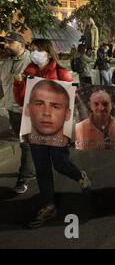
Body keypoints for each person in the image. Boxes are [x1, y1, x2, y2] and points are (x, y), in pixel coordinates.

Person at [13, 38, 90, 229]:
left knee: (60, 163)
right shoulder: (28, 72)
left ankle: (79, 175)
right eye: (32, 50)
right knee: (41, 168)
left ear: (48, 52)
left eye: (37, 49)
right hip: (36, 126)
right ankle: (48, 205)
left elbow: (71, 99)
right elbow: (22, 99)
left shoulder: (61, 72)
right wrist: (18, 84)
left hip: (58, 127)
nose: (34, 53)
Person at [0, 32, 35, 194]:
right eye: (5, 42)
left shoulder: (32, 60)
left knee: (25, 143)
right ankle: (33, 168)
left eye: (10, 42)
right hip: (11, 109)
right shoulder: (6, 63)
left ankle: (24, 177)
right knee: (27, 142)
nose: (6, 45)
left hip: (28, 109)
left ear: (21, 44)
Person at [24, 80, 72, 147]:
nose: (46, 113)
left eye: (55, 107)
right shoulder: (20, 145)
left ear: (67, 114)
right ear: (27, 109)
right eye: (39, 104)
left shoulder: (78, 150)